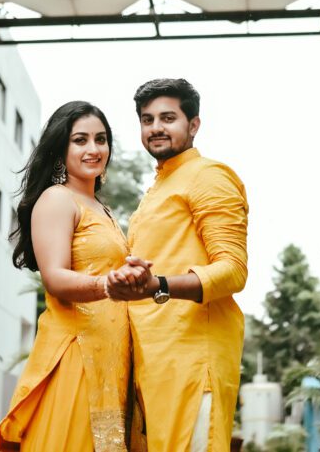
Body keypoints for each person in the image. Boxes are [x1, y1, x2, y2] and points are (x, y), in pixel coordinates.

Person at [107, 78, 249, 452]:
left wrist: (159, 286)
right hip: (152, 364)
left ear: (194, 124)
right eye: (147, 119)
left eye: (168, 117)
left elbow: (233, 270)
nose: (155, 128)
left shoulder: (208, 176)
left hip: (192, 361)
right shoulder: (158, 188)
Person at [0, 101, 131, 452]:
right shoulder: (57, 199)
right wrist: (109, 285)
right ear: (61, 150)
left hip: (111, 362)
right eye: (80, 140)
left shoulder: (102, 209)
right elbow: (55, 278)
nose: (94, 149)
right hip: (76, 357)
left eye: (101, 139)